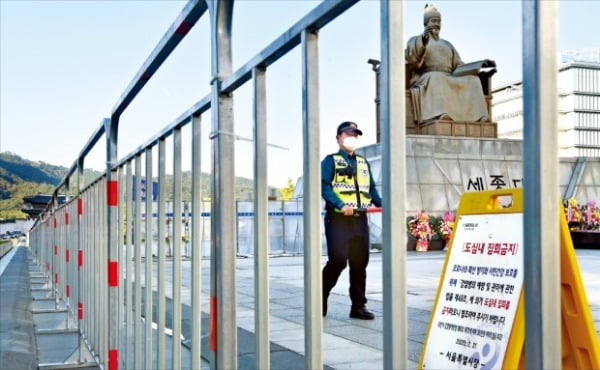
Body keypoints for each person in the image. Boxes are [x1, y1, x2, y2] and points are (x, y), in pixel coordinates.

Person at [321, 121, 382, 320]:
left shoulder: (363, 162)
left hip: (360, 219)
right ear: (338, 138)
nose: (351, 138)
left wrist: (384, 204)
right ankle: (319, 297)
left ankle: (358, 307)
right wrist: (340, 205)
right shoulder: (330, 161)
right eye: (347, 134)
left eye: (355, 135)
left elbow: (371, 189)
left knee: (359, 264)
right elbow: (325, 187)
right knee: (338, 261)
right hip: (339, 220)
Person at [405, 4, 489, 124]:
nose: (437, 24)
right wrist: (423, 41)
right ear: (426, 23)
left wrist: (474, 69)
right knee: (437, 77)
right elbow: (414, 62)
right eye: (433, 21)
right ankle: (441, 113)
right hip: (428, 76)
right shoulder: (415, 40)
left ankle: (480, 115)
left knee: (473, 79)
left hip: (450, 75)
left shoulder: (447, 44)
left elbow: (458, 64)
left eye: (439, 22)